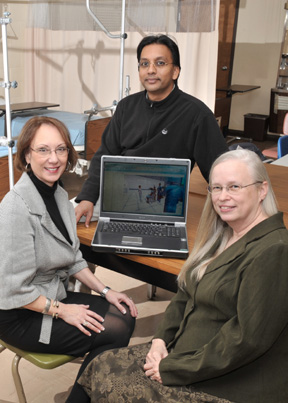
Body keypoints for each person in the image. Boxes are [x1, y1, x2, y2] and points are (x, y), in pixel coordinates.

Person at [77, 149, 288, 403]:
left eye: (234, 187)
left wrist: (171, 369)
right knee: (100, 365)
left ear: (262, 190)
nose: (223, 197)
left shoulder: (274, 250)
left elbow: (245, 341)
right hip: (184, 352)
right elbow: (185, 294)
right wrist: (158, 340)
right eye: (217, 188)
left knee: (111, 382)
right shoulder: (224, 234)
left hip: (227, 380)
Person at [0, 117, 138, 403]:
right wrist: (64, 311)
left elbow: (73, 258)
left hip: (49, 296)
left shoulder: (60, 195)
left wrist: (106, 291)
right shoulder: (15, 209)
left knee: (124, 314)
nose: (54, 159)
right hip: (18, 313)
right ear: (26, 154)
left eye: (61, 149)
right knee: (113, 330)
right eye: (43, 150)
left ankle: (80, 397)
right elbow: (12, 290)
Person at [75, 34, 228, 226]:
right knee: (64, 221)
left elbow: (219, 169)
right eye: (144, 64)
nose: (151, 70)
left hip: (163, 201)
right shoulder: (126, 107)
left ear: (175, 71)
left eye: (160, 63)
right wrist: (87, 197)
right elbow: (104, 154)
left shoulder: (196, 114)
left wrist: (228, 206)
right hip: (117, 194)